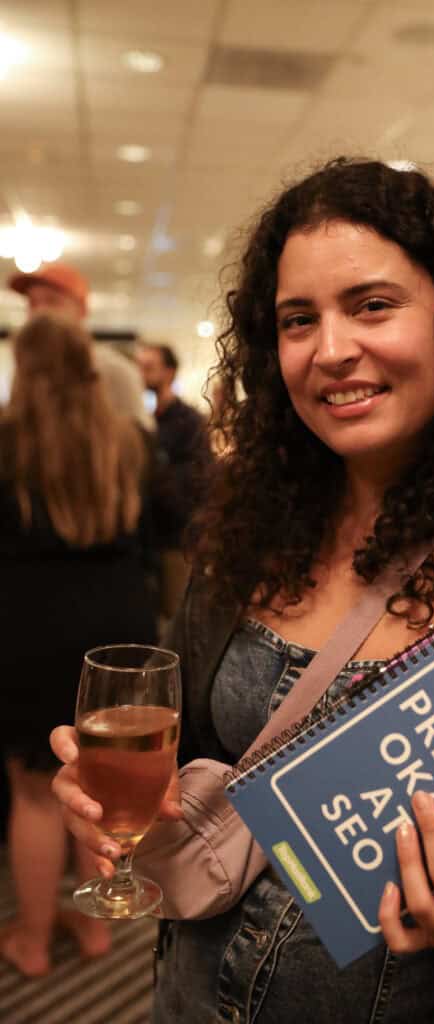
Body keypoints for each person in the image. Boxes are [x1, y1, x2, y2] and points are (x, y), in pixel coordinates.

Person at [50, 158, 434, 1023]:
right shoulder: (243, 548)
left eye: (372, 305)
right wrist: (110, 804)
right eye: (298, 319)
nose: (332, 348)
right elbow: (190, 768)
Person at [0, 313, 158, 977]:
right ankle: (95, 932)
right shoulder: (126, 440)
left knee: (37, 793)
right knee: (96, 784)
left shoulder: (7, 443)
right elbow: (162, 528)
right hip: (118, 629)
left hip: (27, 627)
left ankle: (33, 940)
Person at [8, 261, 152, 430]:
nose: (39, 312)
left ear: (82, 309)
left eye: (52, 301)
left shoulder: (113, 371)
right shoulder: (25, 371)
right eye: (32, 303)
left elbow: (139, 448)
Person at [135, 342, 212, 619]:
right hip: (149, 539)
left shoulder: (189, 422)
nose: (140, 374)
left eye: (149, 367)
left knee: (178, 619)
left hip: (176, 541)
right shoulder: (148, 421)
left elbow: (197, 483)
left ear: (169, 372)